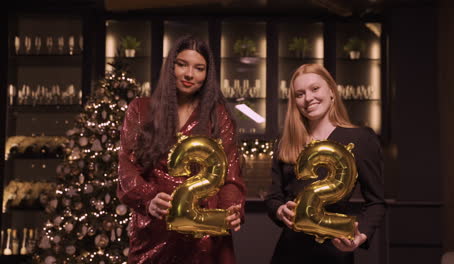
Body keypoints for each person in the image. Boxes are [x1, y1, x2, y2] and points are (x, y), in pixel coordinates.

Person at [117, 35, 246, 264]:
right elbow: (126, 168)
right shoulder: (140, 109)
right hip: (154, 232)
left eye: (199, 68)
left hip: (205, 236)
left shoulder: (218, 117)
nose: (189, 74)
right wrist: (149, 199)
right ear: (170, 67)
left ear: (207, 75)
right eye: (182, 64)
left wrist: (231, 208)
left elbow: (231, 175)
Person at [264, 63, 386, 263]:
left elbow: (376, 203)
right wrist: (279, 210)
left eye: (314, 89)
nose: (308, 98)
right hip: (289, 252)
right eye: (300, 94)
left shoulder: (361, 139)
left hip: (335, 253)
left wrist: (360, 236)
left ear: (331, 91)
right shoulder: (285, 142)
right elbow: (273, 197)